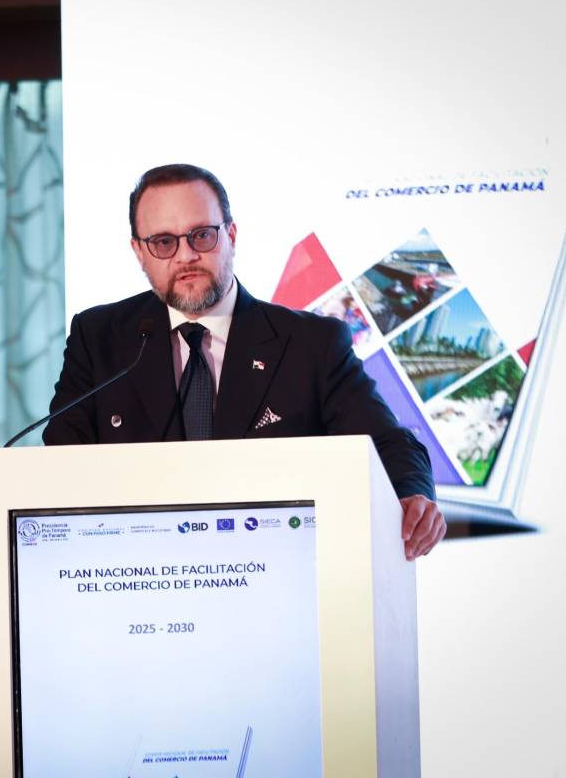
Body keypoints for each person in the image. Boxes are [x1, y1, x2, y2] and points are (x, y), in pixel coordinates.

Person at [43, 164, 446, 559]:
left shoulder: (311, 343)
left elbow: (387, 443)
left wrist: (411, 492)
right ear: (139, 252)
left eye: (202, 236)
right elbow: (60, 464)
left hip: (273, 573)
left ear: (231, 236)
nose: (186, 256)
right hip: (137, 572)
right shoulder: (99, 338)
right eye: (164, 242)